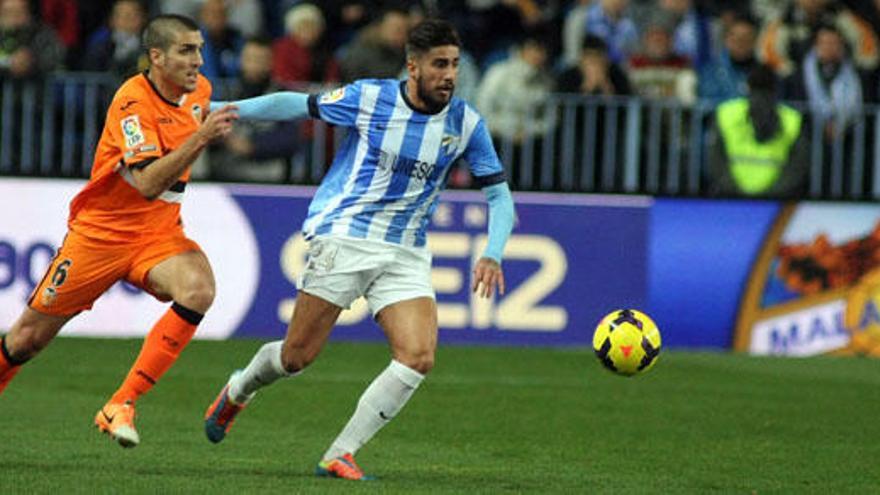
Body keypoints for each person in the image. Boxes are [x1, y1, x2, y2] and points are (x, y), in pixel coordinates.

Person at [203, 18, 516, 480]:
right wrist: (224, 107)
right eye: (438, 64)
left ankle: (339, 453)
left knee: (418, 355)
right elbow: (297, 103)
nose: (449, 74)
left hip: (406, 250)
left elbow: (499, 195)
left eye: (453, 64)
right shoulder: (372, 98)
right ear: (413, 66)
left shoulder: (465, 123)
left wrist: (492, 251)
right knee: (296, 358)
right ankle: (240, 388)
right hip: (347, 234)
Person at [0, 14, 239, 449]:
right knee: (26, 339)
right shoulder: (132, 102)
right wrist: (201, 139)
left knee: (198, 289)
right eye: (187, 51)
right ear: (156, 57)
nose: (199, 61)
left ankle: (121, 402)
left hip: (158, 234)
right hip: (101, 236)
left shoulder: (199, 92)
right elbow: (147, 183)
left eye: (200, 49)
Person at [707, 64, 808, 198]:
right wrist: (773, 192)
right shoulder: (792, 119)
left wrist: (732, 188)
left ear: (747, 87)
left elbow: (715, 160)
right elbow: (797, 166)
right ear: (776, 89)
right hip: (776, 199)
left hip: (731, 197)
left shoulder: (726, 113)